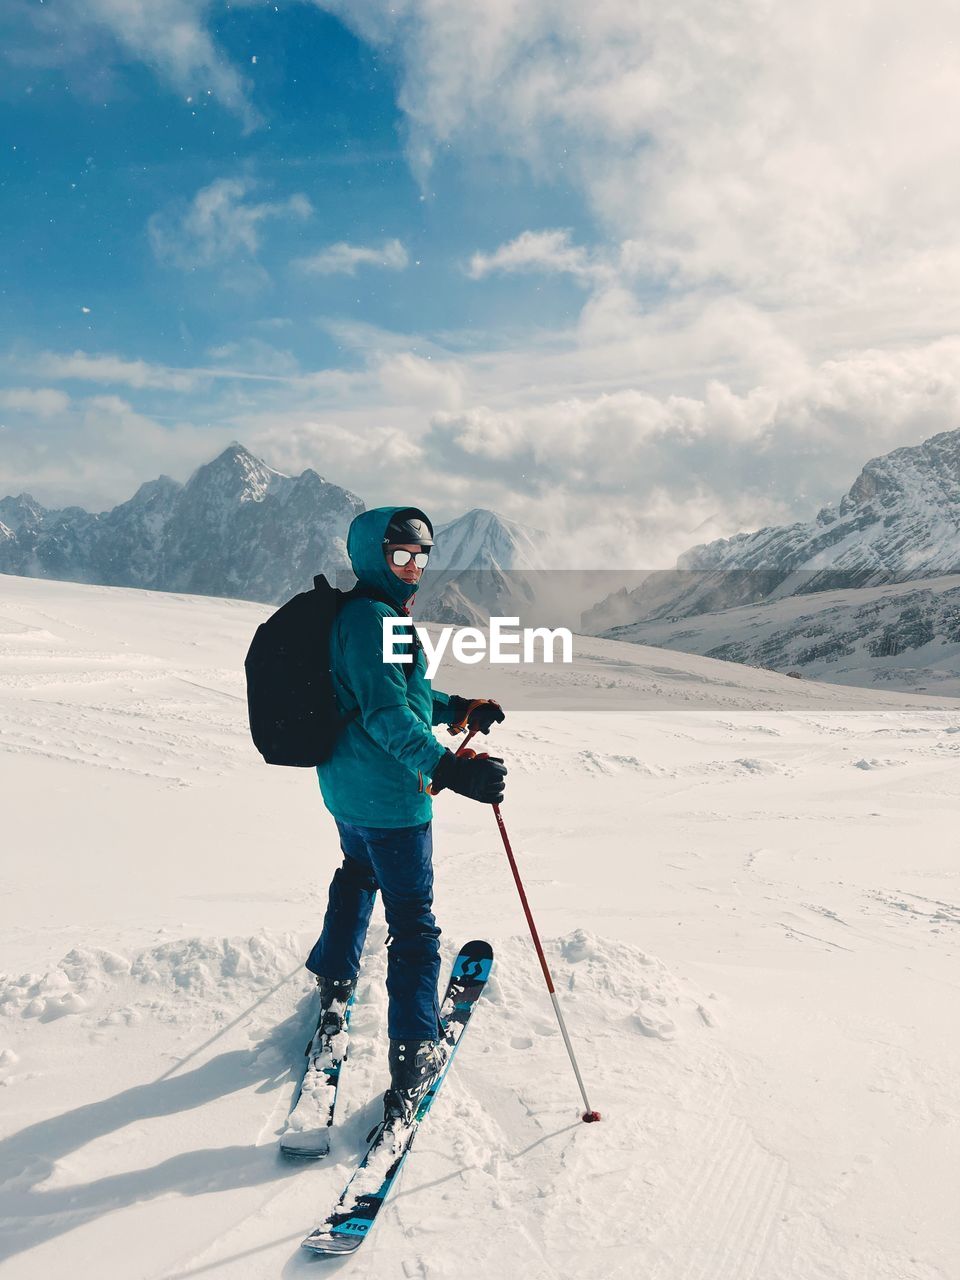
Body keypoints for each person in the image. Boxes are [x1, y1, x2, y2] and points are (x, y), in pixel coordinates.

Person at [304, 506, 507, 1125]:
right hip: (392, 799)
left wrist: (457, 706)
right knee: (415, 927)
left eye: (421, 557)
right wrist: (450, 769)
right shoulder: (371, 621)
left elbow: (403, 696)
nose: (414, 568)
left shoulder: (373, 615)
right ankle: (412, 1051)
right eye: (401, 557)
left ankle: (335, 980)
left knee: (356, 872)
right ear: (374, 558)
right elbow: (387, 718)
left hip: (347, 790)